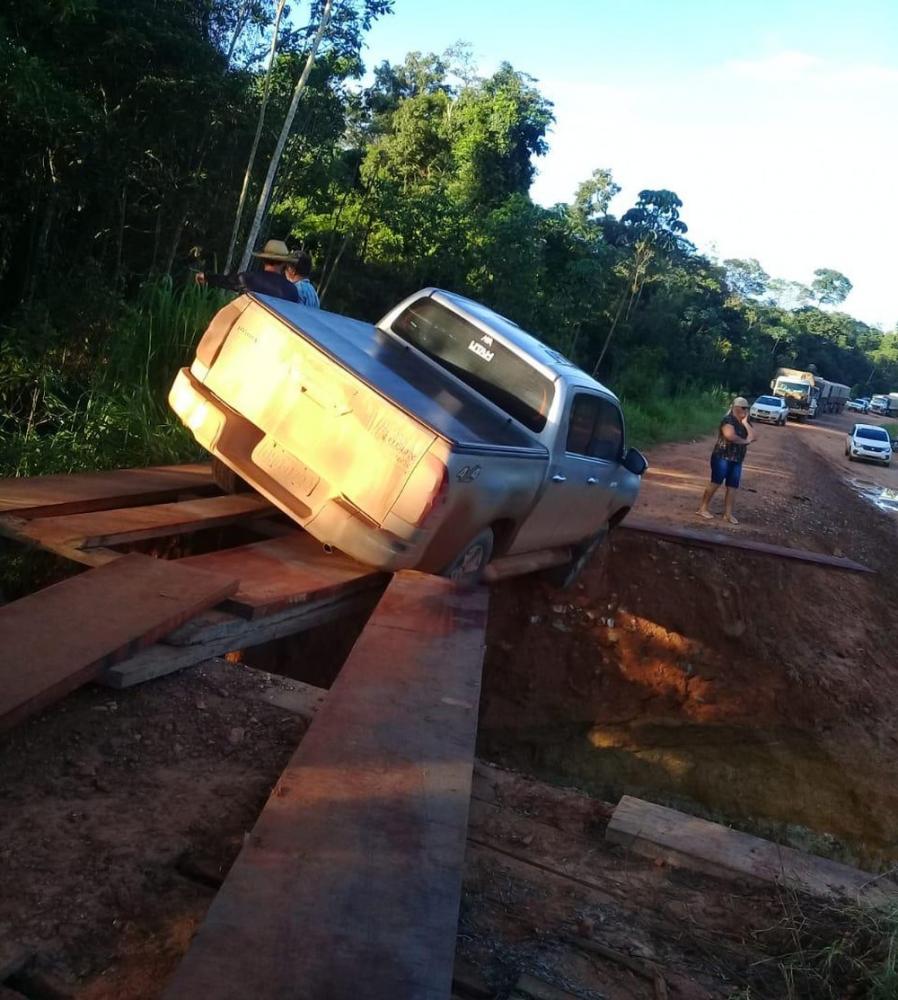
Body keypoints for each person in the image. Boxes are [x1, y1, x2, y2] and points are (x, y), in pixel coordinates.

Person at [696, 396, 756, 525]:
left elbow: (754, 436)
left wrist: (745, 423)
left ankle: (728, 514)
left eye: (747, 408)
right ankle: (703, 508)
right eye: (743, 408)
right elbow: (730, 435)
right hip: (722, 457)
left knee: (733, 486)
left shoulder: (745, 422)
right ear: (736, 408)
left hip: (737, 459)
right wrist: (745, 441)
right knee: (716, 482)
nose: (746, 410)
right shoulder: (728, 420)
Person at [195, 239, 299, 303]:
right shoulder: (292, 290)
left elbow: (226, 281)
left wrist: (206, 277)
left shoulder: (248, 278)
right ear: (284, 263)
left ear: (263, 259)